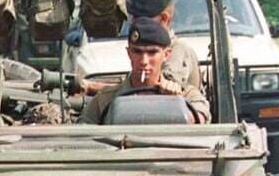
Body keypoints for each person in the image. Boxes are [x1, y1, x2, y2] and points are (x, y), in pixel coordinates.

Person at [79, 18, 211, 125]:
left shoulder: (186, 94)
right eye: (137, 52)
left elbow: (201, 117)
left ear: (166, 55)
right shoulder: (105, 99)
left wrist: (176, 103)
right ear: (129, 53)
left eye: (152, 52)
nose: (144, 60)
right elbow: (82, 136)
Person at [129, 0, 201, 89]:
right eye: (134, 17)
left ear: (164, 18)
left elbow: (159, 87)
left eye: (142, 18)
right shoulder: (139, 47)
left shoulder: (178, 49)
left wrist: (102, 88)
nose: (135, 22)